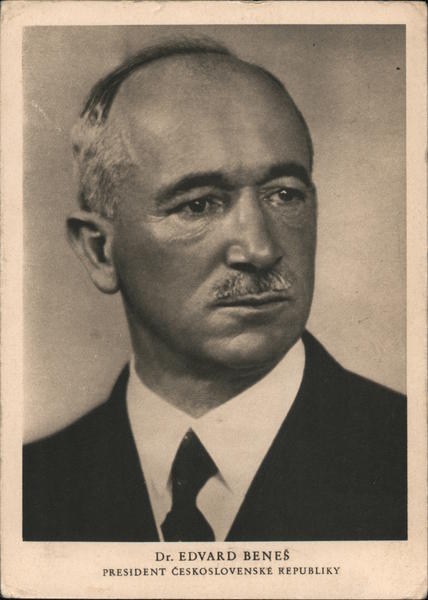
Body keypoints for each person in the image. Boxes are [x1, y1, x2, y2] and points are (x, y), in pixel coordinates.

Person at [23, 38, 406, 542]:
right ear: (99, 250)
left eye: (284, 194)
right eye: (199, 205)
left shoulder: (408, 456)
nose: (260, 249)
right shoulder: (30, 491)